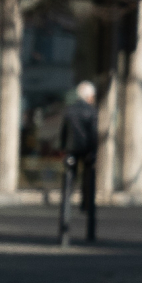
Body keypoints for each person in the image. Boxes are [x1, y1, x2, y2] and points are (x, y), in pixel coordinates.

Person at [60, 79, 100, 244]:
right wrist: (94, 152)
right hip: (86, 152)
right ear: (89, 96)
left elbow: (64, 132)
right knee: (88, 183)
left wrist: (64, 148)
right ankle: (85, 204)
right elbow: (93, 135)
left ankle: (66, 221)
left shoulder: (69, 110)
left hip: (72, 151)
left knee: (69, 182)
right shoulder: (91, 111)